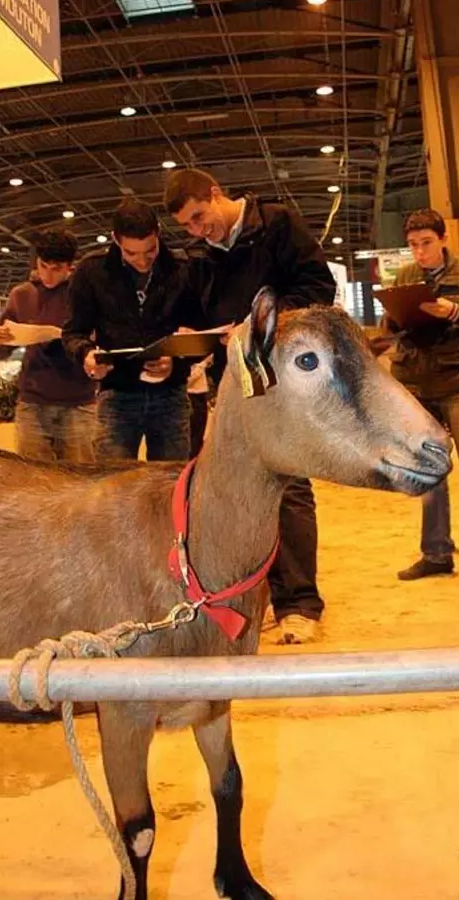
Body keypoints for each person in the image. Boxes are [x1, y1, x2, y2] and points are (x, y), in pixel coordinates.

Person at [165, 167, 336, 644]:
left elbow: (319, 289)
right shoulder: (203, 257)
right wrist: (188, 339)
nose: (199, 231)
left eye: (201, 218)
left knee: (291, 486)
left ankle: (300, 603)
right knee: (243, 491)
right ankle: (251, 596)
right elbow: (201, 317)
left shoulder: (278, 224)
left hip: (283, 377)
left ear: (216, 193)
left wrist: (257, 322)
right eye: (189, 228)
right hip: (235, 384)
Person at [385, 209, 459, 589]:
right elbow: (391, 327)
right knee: (430, 474)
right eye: (413, 245)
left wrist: (454, 311)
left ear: (442, 239)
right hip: (419, 386)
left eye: (426, 243)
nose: (419, 252)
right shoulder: (404, 277)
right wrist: (396, 318)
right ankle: (436, 555)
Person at [63, 198, 200, 463]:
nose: (142, 261)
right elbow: (73, 333)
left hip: (171, 397)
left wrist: (178, 360)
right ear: (115, 240)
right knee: (112, 487)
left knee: (169, 486)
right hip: (117, 397)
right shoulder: (91, 272)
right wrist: (87, 356)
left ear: (158, 233)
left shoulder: (185, 270)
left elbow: (201, 332)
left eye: (150, 251)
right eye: (131, 253)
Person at [0, 230, 95, 465]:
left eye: (56, 269)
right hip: (32, 402)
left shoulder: (84, 294)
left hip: (78, 402)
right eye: (43, 265)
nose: (48, 274)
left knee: (81, 480)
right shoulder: (21, 295)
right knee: (33, 482)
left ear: (70, 266)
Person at [187, 357, 211, 459]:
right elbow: (187, 379)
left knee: (198, 439)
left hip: (200, 396)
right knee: (192, 441)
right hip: (191, 396)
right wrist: (204, 363)